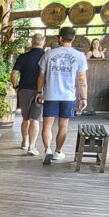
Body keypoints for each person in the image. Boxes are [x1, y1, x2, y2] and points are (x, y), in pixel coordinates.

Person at [36, 26, 88, 166]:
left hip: (51, 94)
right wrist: (84, 98)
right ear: (73, 39)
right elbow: (82, 79)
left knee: (47, 125)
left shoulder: (49, 54)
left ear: (60, 38)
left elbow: (41, 76)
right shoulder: (79, 56)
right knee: (63, 125)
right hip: (68, 96)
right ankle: (58, 151)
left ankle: (47, 150)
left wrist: (39, 92)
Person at [11, 33, 45, 155]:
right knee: (34, 119)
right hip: (39, 92)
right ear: (43, 43)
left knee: (25, 118)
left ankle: (24, 142)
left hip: (24, 90)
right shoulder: (46, 56)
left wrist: (16, 87)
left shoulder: (23, 57)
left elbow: (14, 73)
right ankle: (32, 146)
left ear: (32, 42)